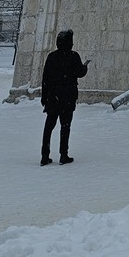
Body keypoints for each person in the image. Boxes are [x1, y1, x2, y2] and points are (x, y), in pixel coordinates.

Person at [40, 28, 89, 165]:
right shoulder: (73, 56)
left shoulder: (52, 57)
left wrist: (44, 98)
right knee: (65, 126)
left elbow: (45, 79)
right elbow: (79, 72)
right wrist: (85, 67)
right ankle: (63, 155)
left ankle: (45, 155)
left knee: (49, 127)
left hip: (53, 98)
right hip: (67, 98)